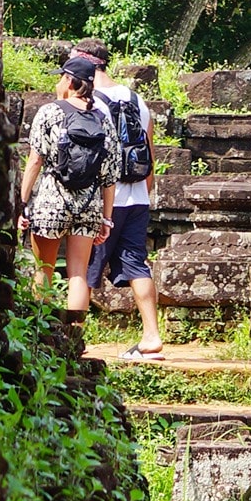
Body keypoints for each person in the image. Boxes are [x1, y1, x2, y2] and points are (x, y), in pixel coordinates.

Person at [76, 40, 165, 361]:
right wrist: (143, 196)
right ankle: (152, 337)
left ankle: (75, 338)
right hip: (138, 198)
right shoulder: (137, 100)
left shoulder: (88, 103)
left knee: (83, 268)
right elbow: (150, 159)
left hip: (102, 201)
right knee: (137, 265)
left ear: (83, 64)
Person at [20, 55, 121, 318]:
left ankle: (38, 331)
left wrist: (22, 203)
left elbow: (35, 161)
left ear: (68, 80)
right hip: (88, 203)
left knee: (44, 267)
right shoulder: (102, 119)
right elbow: (109, 175)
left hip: (51, 201)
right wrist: (107, 219)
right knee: (78, 272)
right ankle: (75, 337)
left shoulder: (50, 111)